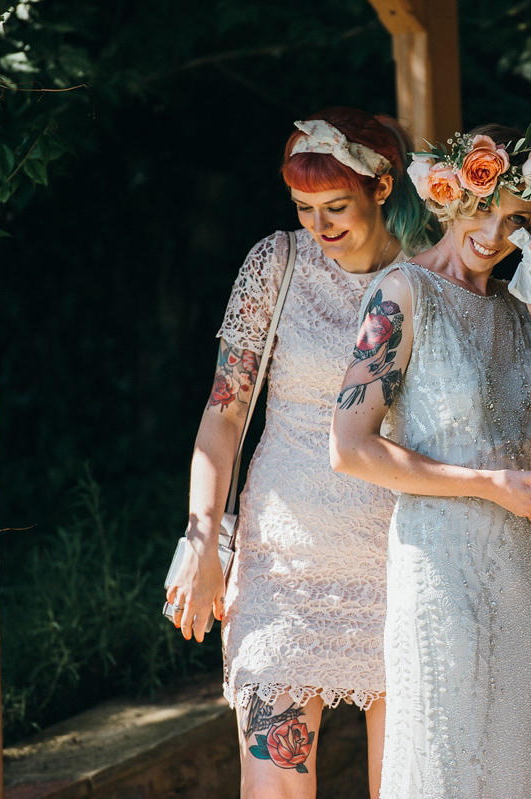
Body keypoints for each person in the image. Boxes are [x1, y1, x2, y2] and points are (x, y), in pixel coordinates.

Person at [165, 107, 430, 799]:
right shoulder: (275, 262)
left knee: (402, 785)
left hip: (400, 558)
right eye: (304, 207)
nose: (320, 225)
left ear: (383, 187)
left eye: (335, 205)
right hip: (283, 567)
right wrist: (199, 536)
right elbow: (223, 416)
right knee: (274, 787)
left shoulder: (431, 277)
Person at [329, 124, 531, 799]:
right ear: (448, 194)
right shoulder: (401, 294)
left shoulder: (519, 308)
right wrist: (490, 486)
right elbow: (348, 445)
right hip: (442, 578)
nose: (495, 233)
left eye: (516, 220)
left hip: (526, 586)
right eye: (483, 207)